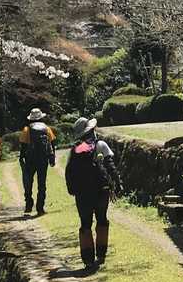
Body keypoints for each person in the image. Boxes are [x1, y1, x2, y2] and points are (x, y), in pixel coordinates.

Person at [65, 117, 120, 271]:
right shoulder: (100, 145)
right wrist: (117, 183)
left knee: (85, 224)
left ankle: (88, 259)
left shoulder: (75, 150)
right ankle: (101, 255)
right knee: (102, 220)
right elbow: (110, 165)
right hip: (101, 190)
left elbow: (69, 172)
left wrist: (72, 190)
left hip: (82, 194)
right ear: (92, 130)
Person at [18, 108, 56, 215]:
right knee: (42, 184)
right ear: (41, 118)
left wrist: (21, 158)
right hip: (43, 160)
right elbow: (52, 144)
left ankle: (29, 204)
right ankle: (40, 208)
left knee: (28, 182)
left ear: (31, 118)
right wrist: (52, 158)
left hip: (30, 160)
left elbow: (23, 146)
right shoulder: (47, 128)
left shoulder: (27, 129)